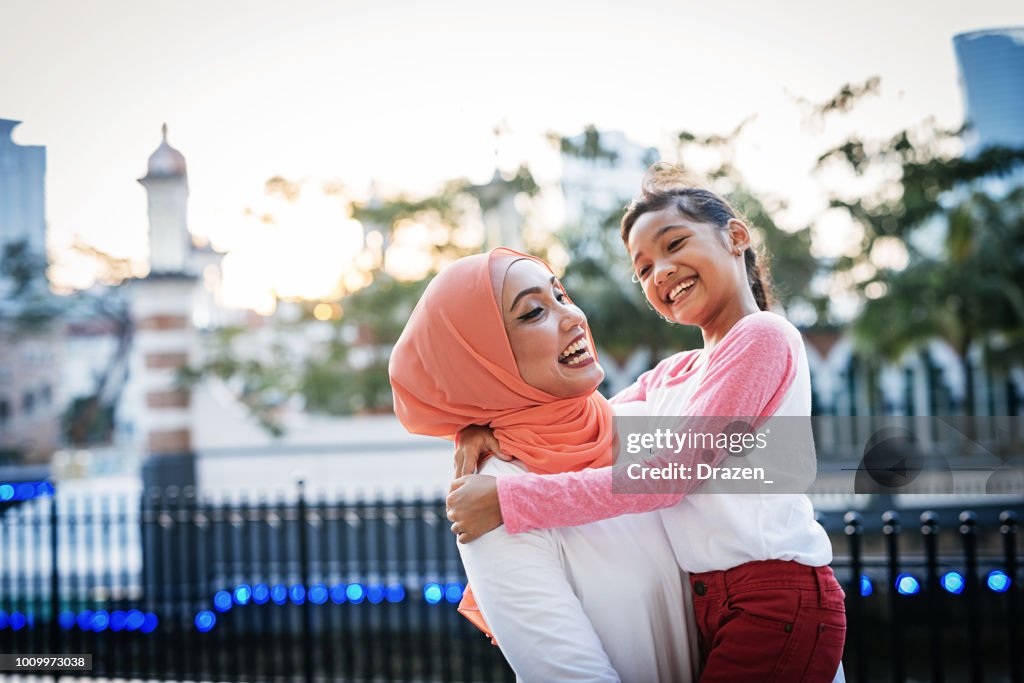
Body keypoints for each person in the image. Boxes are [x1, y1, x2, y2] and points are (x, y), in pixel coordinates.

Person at [447, 164, 847, 682]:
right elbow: (584, 422)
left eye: (675, 243)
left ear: (736, 237)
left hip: (773, 598)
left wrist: (511, 501)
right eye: (643, 268)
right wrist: (489, 427)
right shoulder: (673, 374)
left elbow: (671, 474)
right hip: (714, 602)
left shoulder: (763, 337)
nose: (661, 271)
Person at [388, 248, 697, 682]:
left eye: (561, 295)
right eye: (534, 312)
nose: (574, 318)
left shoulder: (638, 425)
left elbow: (782, 461)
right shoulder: (490, 500)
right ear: (482, 362)